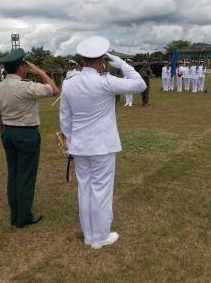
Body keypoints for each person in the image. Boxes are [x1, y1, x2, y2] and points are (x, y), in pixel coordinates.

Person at [59, 36, 146, 249]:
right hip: (102, 146)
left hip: (79, 145)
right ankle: (100, 236)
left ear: (81, 60)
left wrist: (69, 142)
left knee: (85, 188)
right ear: (102, 61)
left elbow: (65, 118)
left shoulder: (69, 83)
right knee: (101, 190)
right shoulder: (105, 81)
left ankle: (89, 234)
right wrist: (123, 64)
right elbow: (140, 84)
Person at [0, 49, 58, 228]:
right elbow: (54, 90)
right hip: (26, 134)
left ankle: (15, 214)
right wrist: (41, 72)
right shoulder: (25, 86)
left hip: (8, 133)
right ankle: (23, 217)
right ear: (21, 67)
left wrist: (3, 132)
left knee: (13, 174)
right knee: (26, 176)